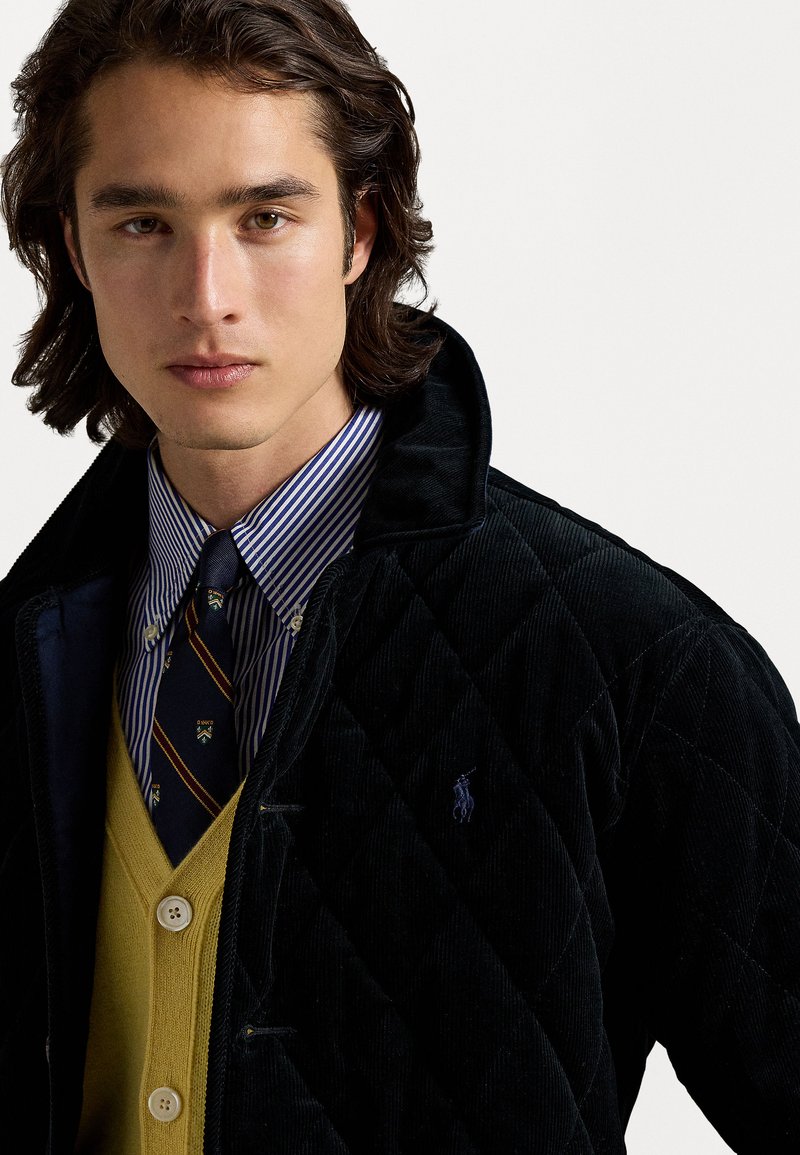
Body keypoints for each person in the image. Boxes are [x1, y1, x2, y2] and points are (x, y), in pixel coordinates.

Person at [1, 0, 798, 1151]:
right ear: (73, 248)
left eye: (265, 217)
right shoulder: (27, 647)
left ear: (359, 233)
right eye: (141, 223)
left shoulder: (632, 663)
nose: (205, 294)